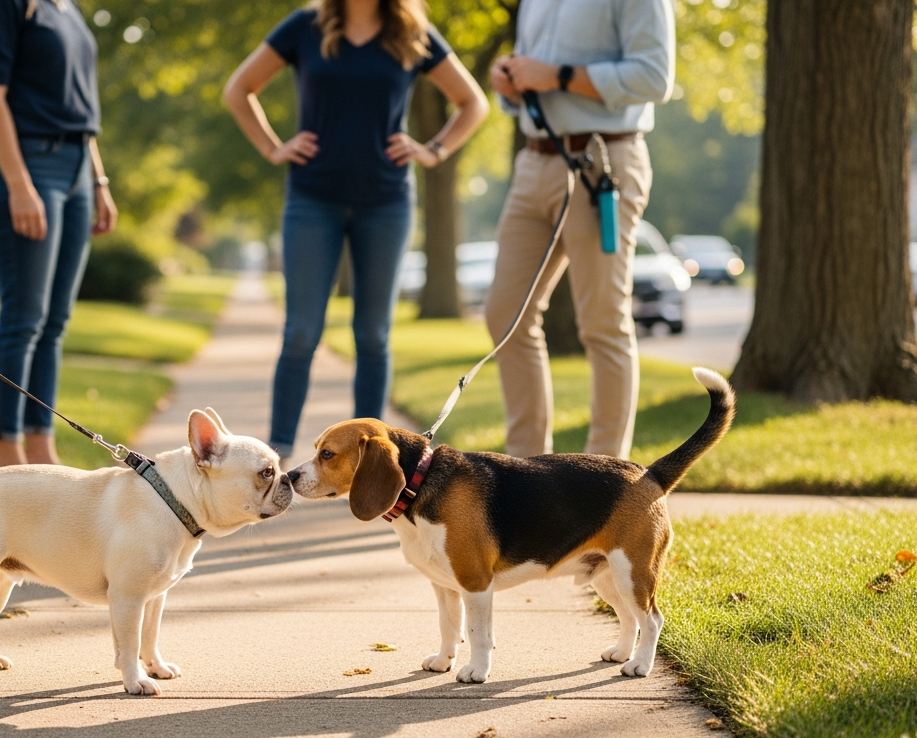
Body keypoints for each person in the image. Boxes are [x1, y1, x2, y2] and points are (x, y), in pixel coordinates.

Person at [224, 0, 488, 459]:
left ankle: (369, 456)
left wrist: (434, 149)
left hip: (385, 201)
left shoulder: (412, 32)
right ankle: (279, 452)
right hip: (312, 198)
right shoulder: (305, 27)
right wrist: (272, 148)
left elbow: (473, 103)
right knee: (301, 333)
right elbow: (239, 89)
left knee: (373, 335)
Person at [486, 0, 674, 459]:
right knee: (505, 314)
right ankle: (526, 472)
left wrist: (558, 75)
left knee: (602, 323)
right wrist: (508, 82)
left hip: (602, 161)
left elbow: (655, 77)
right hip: (533, 161)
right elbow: (528, 79)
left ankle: (605, 483)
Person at [0, 0, 118, 468]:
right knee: (23, 318)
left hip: (75, 168)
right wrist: (18, 183)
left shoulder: (65, 7)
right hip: (28, 164)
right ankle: (8, 455)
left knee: (54, 324)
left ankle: (40, 447)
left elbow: (78, 108)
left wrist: (98, 181)